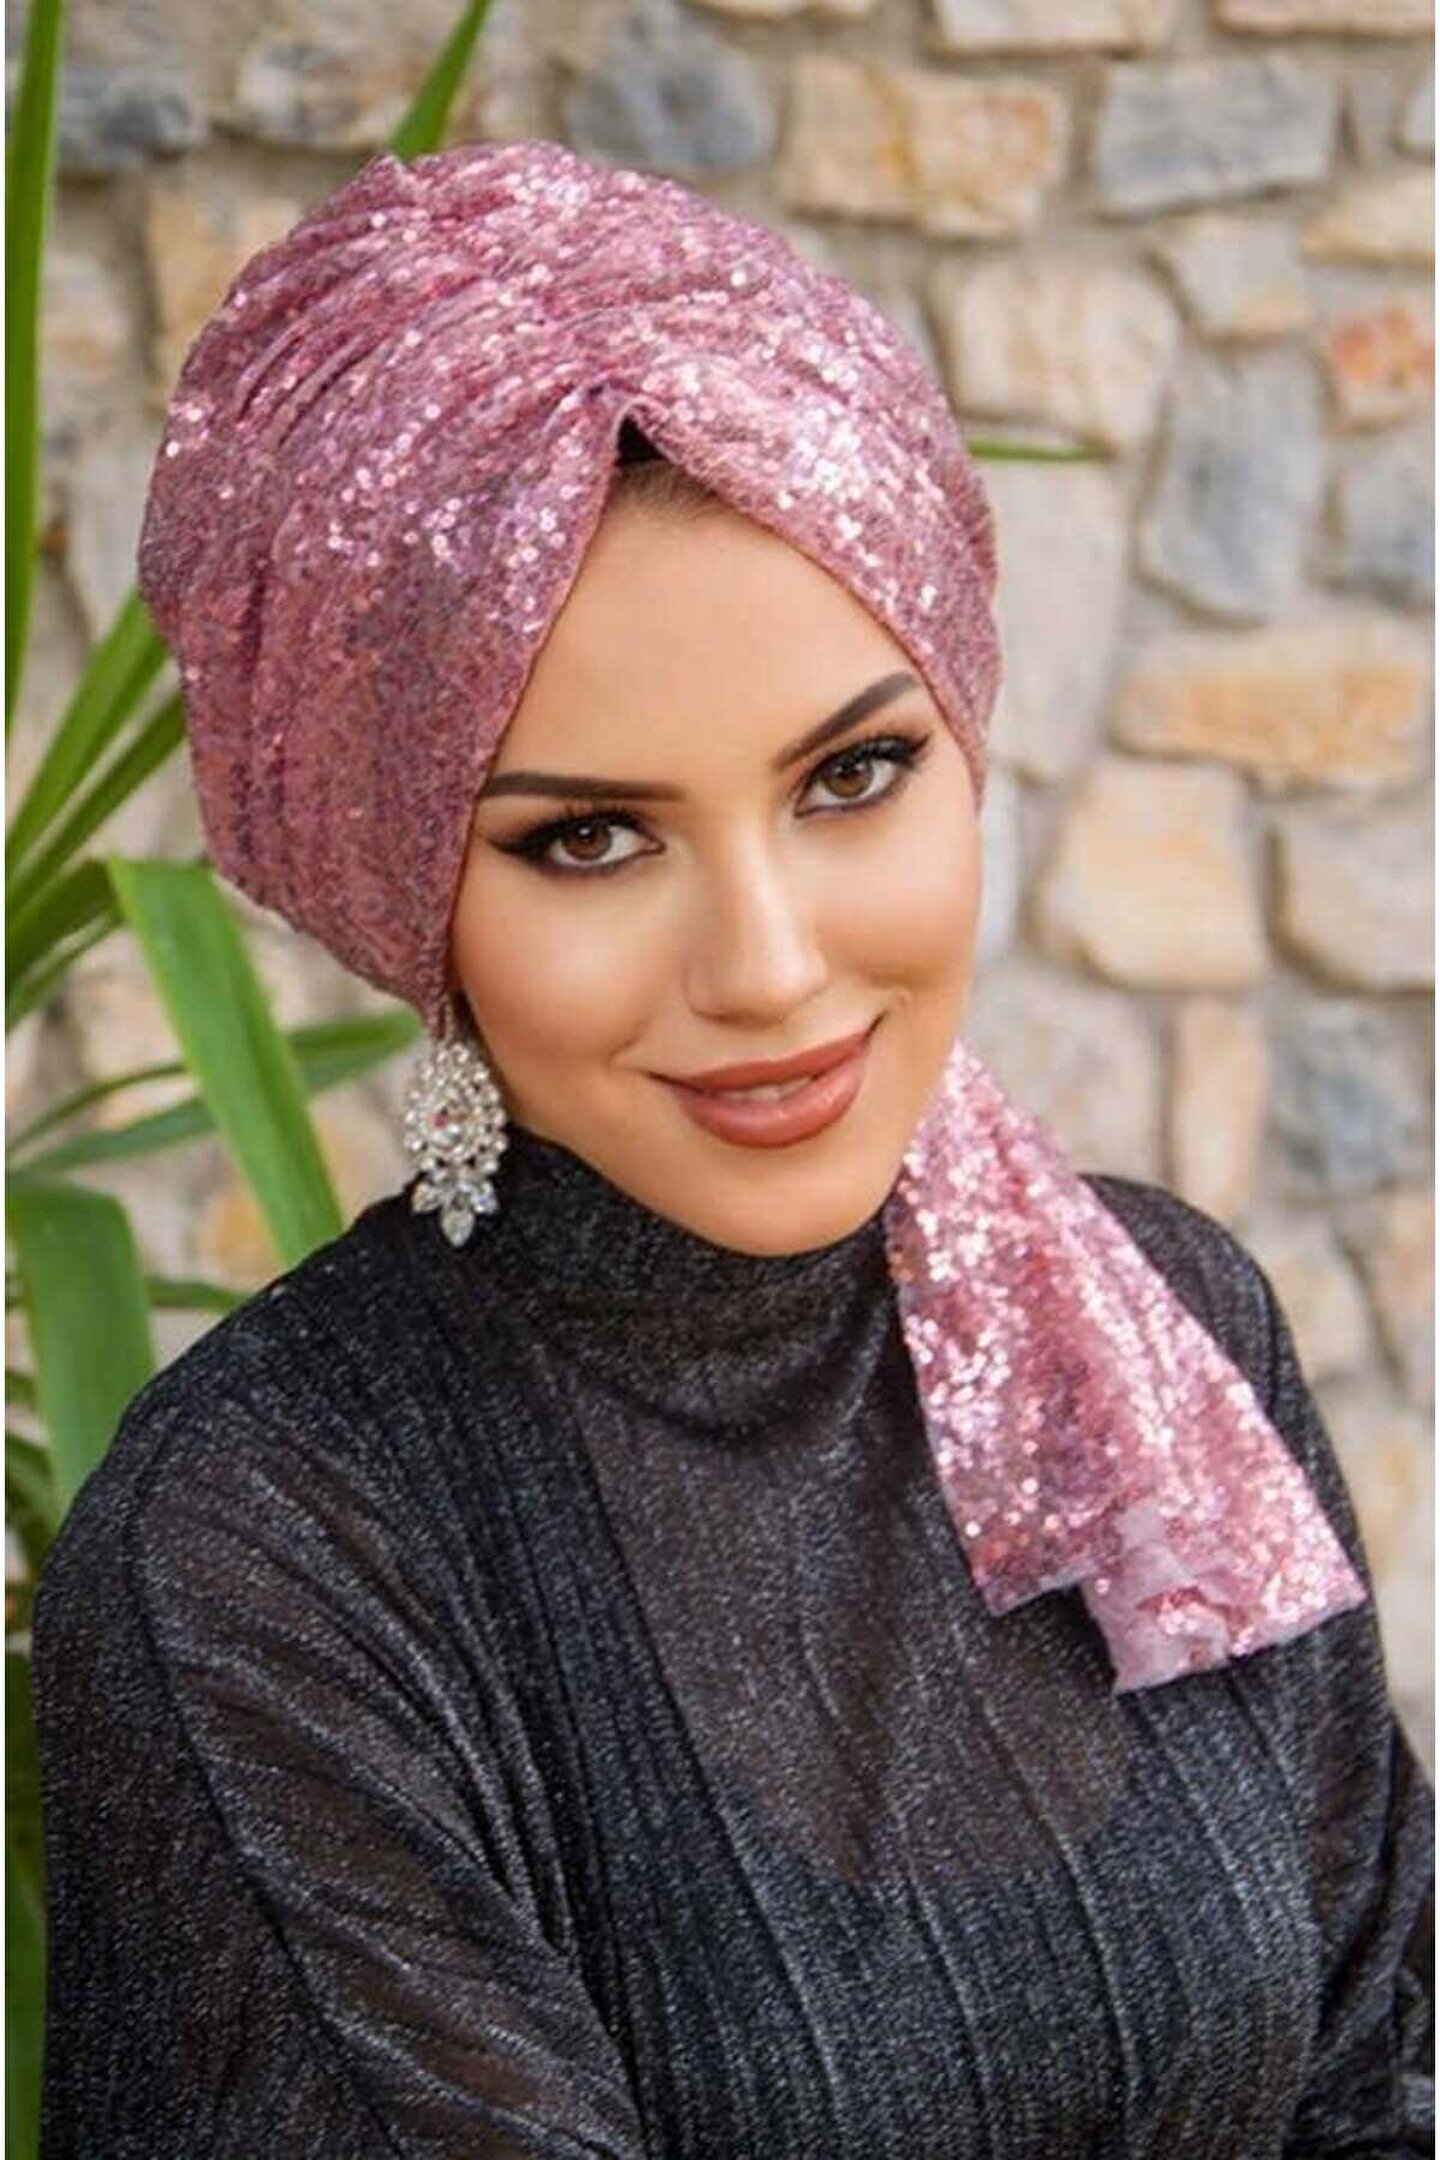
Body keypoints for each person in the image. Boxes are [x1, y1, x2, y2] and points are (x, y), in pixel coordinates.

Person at [31, 139, 1433, 2158]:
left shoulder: (1156, 1332)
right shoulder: (267, 1556)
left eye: (853, 775)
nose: (769, 971)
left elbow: (1375, 2076)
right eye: (590, 837)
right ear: (401, 886)